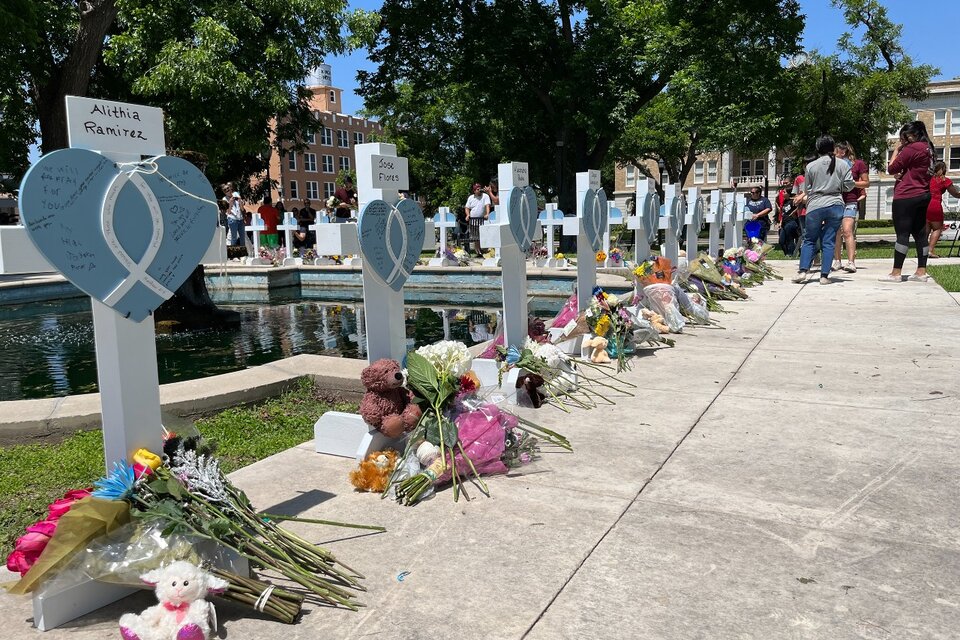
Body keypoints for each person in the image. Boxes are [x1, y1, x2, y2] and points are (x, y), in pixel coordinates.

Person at [792, 136, 854, 285]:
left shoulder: (811, 166)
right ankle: (824, 275)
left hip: (815, 205)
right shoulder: (843, 164)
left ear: (818, 149)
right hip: (835, 204)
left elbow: (808, 188)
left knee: (809, 239)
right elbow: (849, 185)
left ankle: (803, 271)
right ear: (833, 148)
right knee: (829, 240)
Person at [882, 121, 935, 282]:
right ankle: (921, 271)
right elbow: (917, 169)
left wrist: (897, 149)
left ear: (914, 134)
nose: (904, 141)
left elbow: (891, 169)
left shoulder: (912, 148)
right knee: (920, 234)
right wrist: (905, 173)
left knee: (902, 234)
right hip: (923, 193)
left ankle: (896, 272)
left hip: (906, 195)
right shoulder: (929, 148)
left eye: (905, 137)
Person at [831, 142, 869, 273]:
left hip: (850, 201)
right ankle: (837, 260)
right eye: (836, 152)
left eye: (840, 151)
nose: (837, 154)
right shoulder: (832, 164)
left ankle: (851, 262)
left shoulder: (858, 164)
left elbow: (866, 183)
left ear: (845, 151)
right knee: (836, 232)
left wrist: (852, 183)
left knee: (847, 231)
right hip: (835, 200)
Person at [927, 161, 960, 258]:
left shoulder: (928, 179)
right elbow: (955, 194)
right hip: (935, 205)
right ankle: (930, 251)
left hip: (925, 204)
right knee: (937, 228)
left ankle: (922, 252)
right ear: (944, 170)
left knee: (925, 230)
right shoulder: (945, 180)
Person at [464, 182, 491, 256]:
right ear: (474, 190)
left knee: (483, 236)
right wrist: (468, 215)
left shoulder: (485, 196)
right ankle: (478, 252)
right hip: (473, 221)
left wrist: (487, 214)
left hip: (483, 221)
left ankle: (485, 251)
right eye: (477, 189)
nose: (479, 190)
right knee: (475, 237)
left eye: (480, 188)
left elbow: (487, 205)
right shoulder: (471, 198)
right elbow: (467, 207)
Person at [776, 176, 801, 256]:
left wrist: (794, 212)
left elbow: (799, 207)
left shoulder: (793, 200)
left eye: (784, 192)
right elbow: (783, 213)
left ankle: (791, 253)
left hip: (792, 222)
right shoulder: (784, 202)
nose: (783, 193)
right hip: (784, 222)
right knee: (781, 240)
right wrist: (780, 222)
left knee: (790, 238)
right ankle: (786, 253)